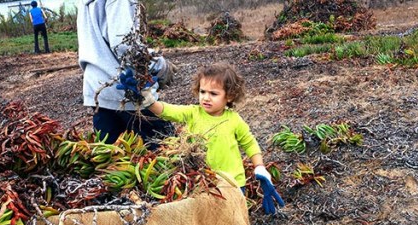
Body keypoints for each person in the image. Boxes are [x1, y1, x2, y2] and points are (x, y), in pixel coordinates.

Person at [138, 63, 285, 214]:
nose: (206, 98)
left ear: (229, 96)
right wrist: (149, 101)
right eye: (202, 92)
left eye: (213, 94)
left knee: (234, 217)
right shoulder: (192, 113)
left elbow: (250, 143)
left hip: (232, 182)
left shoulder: (234, 120)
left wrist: (259, 166)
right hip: (201, 180)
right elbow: (167, 111)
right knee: (208, 218)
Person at [76, 0, 176, 148]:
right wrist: (161, 65)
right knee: (166, 154)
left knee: (111, 161)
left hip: (98, 91)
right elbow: (125, 46)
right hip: (129, 88)